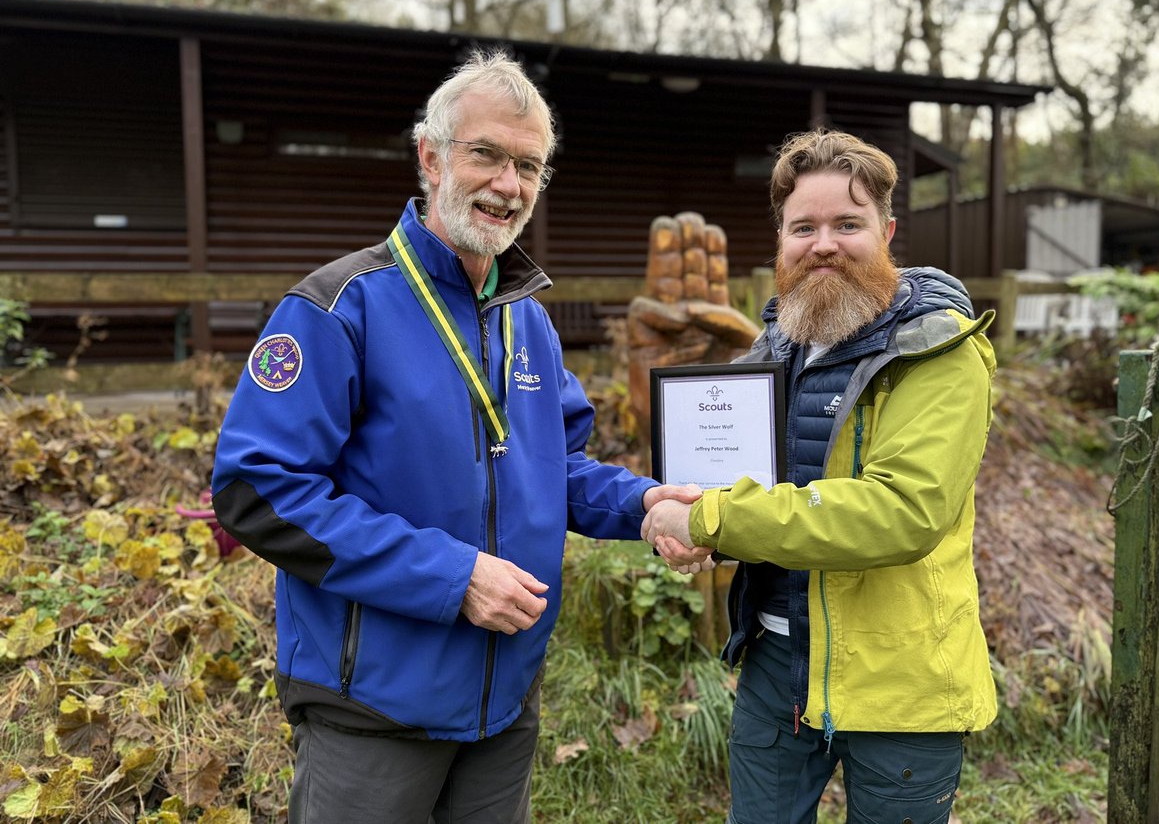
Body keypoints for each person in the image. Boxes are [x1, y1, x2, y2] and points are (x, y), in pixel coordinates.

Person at [211, 48, 697, 824]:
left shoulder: (527, 319)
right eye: (487, 155)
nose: (509, 185)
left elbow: (554, 469)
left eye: (529, 166)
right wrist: (452, 576)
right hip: (372, 707)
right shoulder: (337, 309)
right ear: (430, 157)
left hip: (503, 704)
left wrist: (646, 505)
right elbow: (257, 490)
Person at [643, 129, 998, 823]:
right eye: (803, 226)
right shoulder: (775, 346)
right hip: (778, 664)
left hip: (902, 680)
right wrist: (694, 525)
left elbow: (898, 514)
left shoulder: (941, 354)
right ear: (781, 237)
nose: (823, 243)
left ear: (887, 231)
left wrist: (713, 518)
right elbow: (744, 487)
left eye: (847, 224)